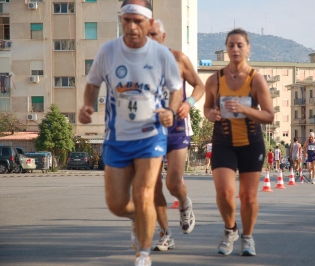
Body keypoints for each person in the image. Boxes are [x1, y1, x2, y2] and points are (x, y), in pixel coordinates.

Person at [78, 1, 183, 264]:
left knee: (145, 192)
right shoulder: (109, 51)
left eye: (138, 21)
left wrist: (171, 111)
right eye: (127, 21)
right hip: (117, 138)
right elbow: (92, 83)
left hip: (151, 136)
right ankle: (139, 216)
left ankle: (144, 254)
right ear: (121, 21)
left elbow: (176, 89)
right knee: (116, 204)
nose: (132, 27)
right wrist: (88, 106)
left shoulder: (161, 55)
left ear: (149, 23)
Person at [204, 28, 274, 256]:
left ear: (247, 48)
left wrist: (244, 109)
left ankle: (248, 237)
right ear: (226, 48)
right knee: (224, 192)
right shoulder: (215, 79)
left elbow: (269, 115)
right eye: (231, 45)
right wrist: (210, 114)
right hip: (223, 141)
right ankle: (230, 229)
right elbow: (207, 107)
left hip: (251, 143)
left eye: (239, 45)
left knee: (248, 196)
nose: (235, 49)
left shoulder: (256, 79)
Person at [147, 19, 205, 251]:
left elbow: (199, 85)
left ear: (163, 37)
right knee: (151, 185)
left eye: (153, 35)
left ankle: (184, 202)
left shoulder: (178, 59)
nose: (149, 40)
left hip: (177, 127)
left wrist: (189, 102)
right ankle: (165, 234)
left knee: (172, 184)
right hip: (150, 130)